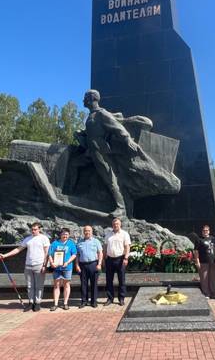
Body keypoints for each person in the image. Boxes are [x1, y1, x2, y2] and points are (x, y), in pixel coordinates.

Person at [76, 89, 141, 218]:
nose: (83, 100)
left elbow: (117, 127)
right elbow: (93, 131)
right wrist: (81, 133)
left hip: (101, 152)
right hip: (92, 152)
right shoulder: (92, 115)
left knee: (110, 179)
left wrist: (127, 139)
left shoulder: (102, 114)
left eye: (85, 97)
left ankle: (121, 208)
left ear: (91, 99)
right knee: (76, 166)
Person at [0, 222, 50, 312]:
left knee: (39, 286)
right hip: (28, 265)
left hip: (39, 265)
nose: (33, 231)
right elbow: (18, 249)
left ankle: (37, 303)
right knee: (29, 286)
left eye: (35, 229)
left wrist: (45, 265)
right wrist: (5, 255)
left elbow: (47, 253)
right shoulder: (27, 239)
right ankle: (31, 302)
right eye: (32, 229)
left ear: (40, 229)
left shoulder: (44, 238)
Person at [47, 228, 78, 311]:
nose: (65, 236)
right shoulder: (55, 243)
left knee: (66, 285)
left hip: (67, 268)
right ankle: (55, 304)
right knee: (56, 285)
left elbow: (74, 254)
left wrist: (67, 262)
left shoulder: (71, 243)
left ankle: (65, 303)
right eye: (64, 234)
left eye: (67, 234)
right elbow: (50, 254)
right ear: (60, 235)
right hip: (56, 268)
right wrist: (52, 262)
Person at [103, 217, 131, 306]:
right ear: (112, 225)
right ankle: (110, 298)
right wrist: (104, 256)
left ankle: (121, 298)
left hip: (120, 259)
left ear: (120, 225)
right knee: (109, 280)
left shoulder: (124, 234)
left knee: (121, 280)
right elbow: (105, 245)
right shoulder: (108, 234)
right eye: (114, 224)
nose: (116, 225)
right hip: (109, 260)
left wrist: (126, 258)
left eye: (117, 224)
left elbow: (127, 247)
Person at [74, 225, 103, 308]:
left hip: (93, 264)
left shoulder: (96, 241)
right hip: (83, 265)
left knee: (94, 284)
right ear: (83, 232)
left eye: (89, 231)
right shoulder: (79, 242)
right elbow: (77, 255)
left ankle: (94, 301)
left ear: (92, 232)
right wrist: (77, 265)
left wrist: (99, 264)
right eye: (85, 231)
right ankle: (84, 301)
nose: (87, 232)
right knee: (83, 284)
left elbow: (100, 253)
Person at [194, 225, 215, 299]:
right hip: (203, 261)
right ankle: (206, 293)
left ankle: (213, 293)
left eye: (207, 230)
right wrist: (197, 261)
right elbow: (196, 251)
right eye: (204, 231)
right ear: (202, 232)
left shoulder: (213, 238)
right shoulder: (199, 239)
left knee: (213, 278)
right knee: (204, 278)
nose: (205, 232)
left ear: (209, 231)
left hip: (213, 261)